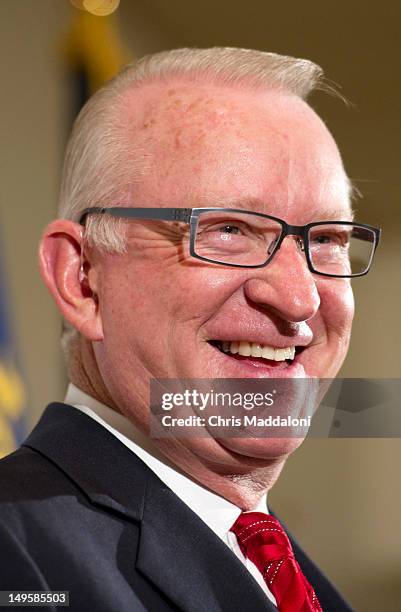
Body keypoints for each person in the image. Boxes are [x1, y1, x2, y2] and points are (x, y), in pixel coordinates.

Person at [0, 48, 380, 611]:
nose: (299, 298)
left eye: (326, 239)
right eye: (228, 230)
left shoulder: (293, 579)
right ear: (81, 280)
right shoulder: (17, 555)